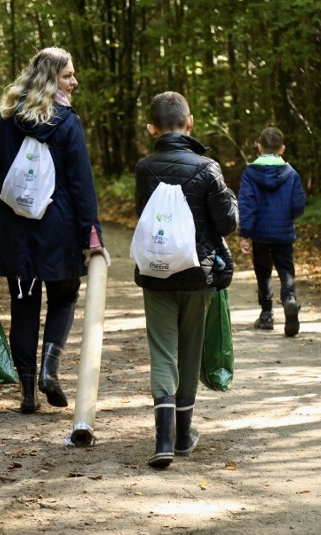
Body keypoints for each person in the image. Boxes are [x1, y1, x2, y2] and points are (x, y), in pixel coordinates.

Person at [0, 47, 110, 414]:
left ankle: (28, 393)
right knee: (64, 297)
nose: (74, 81)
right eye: (67, 76)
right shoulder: (66, 121)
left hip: (14, 231)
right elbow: (81, 184)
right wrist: (91, 235)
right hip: (57, 230)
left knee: (23, 304)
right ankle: (49, 369)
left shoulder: (3, 120)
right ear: (51, 80)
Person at [133, 91, 238, 468]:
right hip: (198, 274)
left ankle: (161, 439)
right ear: (189, 123)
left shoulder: (145, 168)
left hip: (156, 273)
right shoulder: (207, 167)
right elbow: (226, 223)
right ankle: (182, 435)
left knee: (163, 352)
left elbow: (144, 218)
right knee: (189, 353)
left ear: (151, 129)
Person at [238, 126, 306, 337]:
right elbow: (298, 204)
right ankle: (289, 300)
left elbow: (246, 204)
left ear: (259, 147)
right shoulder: (291, 173)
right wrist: (288, 217)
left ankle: (267, 314)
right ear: (282, 149)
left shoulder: (250, 173)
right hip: (283, 233)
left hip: (259, 233)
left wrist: (245, 234)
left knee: (263, 271)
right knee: (286, 269)